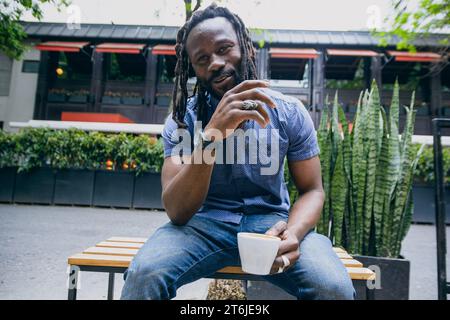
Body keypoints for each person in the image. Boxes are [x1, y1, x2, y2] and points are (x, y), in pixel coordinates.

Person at [121, 3, 355, 300]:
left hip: (271, 225)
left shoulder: (288, 112)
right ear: (192, 67)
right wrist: (212, 136)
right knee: (145, 275)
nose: (215, 63)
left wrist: (293, 233)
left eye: (224, 48)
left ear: (245, 47)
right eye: (202, 58)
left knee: (332, 287)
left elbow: (312, 190)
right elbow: (177, 211)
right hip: (201, 228)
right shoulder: (183, 122)